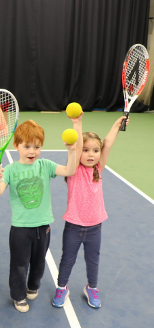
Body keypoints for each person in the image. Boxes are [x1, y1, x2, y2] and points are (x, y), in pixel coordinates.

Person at [0, 119, 77, 313]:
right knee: (19, 265)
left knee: (39, 262)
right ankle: (19, 296)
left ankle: (33, 286)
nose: (32, 151)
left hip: (43, 227)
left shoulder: (45, 165)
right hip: (20, 228)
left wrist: (72, 152)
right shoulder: (11, 170)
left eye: (37, 147)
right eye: (27, 146)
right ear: (16, 146)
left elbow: (70, 170)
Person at [51, 115, 128, 309]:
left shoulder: (98, 168)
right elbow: (76, 148)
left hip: (95, 227)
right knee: (67, 259)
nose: (91, 154)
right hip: (73, 226)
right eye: (86, 150)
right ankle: (62, 287)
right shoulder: (73, 169)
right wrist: (77, 124)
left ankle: (92, 288)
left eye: (95, 150)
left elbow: (107, 144)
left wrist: (116, 126)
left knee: (93, 261)